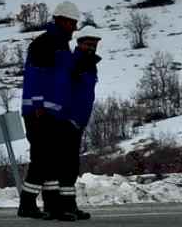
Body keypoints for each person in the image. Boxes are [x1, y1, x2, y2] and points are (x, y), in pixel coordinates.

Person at [18, 2, 79, 219]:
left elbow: (62, 81)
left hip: (53, 113)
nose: (74, 27)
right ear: (62, 20)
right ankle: (26, 202)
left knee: (51, 159)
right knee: (42, 158)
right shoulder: (44, 43)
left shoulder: (62, 45)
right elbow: (36, 76)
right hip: (39, 113)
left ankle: (53, 206)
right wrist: (37, 106)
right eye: (72, 23)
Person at [47, 34, 101, 222]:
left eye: (94, 44)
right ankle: (58, 208)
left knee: (70, 167)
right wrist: (66, 116)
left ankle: (68, 206)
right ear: (79, 44)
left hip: (78, 121)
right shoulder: (72, 62)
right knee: (63, 165)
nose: (91, 48)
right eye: (87, 44)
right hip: (65, 120)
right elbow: (60, 89)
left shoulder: (90, 64)